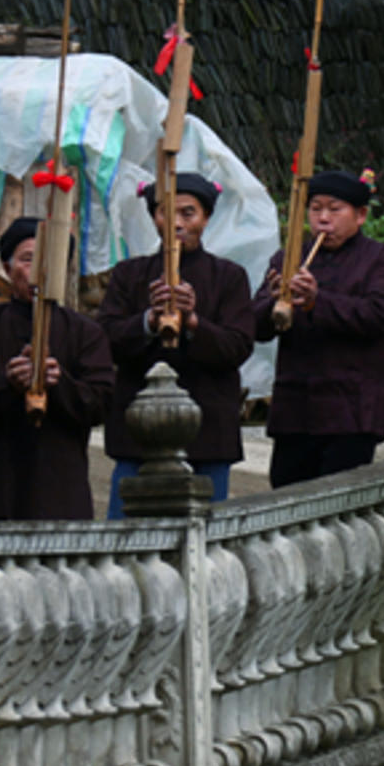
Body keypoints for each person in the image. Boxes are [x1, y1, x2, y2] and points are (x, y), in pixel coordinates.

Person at [97, 173, 254, 515]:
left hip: (208, 430)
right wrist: (149, 321)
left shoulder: (229, 277)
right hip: (138, 430)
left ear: (206, 218)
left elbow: (238, 346)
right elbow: (105, 339)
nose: (177, 223)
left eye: (188, 213)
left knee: (201, 539)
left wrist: (194, 321)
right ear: (154, 217)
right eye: (166, 213)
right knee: (128, 536)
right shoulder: (129, 274)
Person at [252, 169, 384, 486]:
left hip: (351, 410)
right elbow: (255, 325)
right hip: (295, 409)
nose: (323, 219)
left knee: (337, 507)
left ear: (361, 215)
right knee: (285, 499)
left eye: (335, 209)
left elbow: (377, 316)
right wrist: (275, 300)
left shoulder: (383, 259)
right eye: (316, 208)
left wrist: (315, 300)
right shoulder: (287, 258)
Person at [0, 217, 114, 520]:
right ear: (8, 270)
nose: (40, 269)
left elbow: (102, 403)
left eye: (50, 260)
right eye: (28, 259)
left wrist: (59, 382)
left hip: (59, 480)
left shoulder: (85, 332)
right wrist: (7, 384)